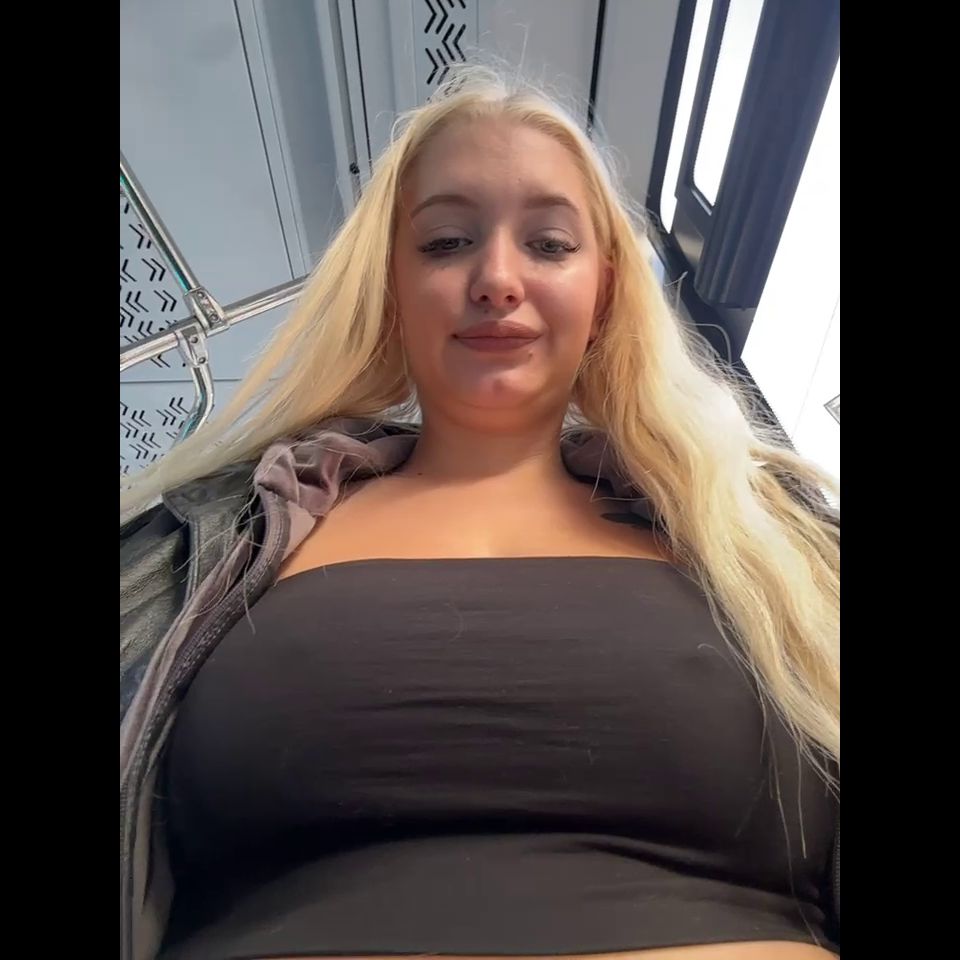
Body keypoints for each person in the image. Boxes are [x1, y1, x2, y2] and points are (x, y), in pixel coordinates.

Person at [120, 66, 840, 960]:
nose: (497, 278)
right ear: (389, 288)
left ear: (605, 291)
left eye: (549, 244)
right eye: (448, 242)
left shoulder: (766, 539)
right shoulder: (207, 540)